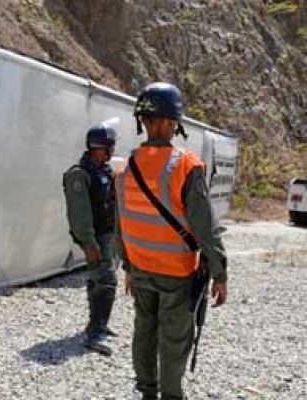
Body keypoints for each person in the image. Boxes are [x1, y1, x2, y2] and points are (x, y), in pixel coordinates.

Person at [112, 82, 228, 400]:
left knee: (144, 332)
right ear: (170, 121)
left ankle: (147, 392)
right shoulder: (186, 167)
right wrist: (220, 273)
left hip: (141, 270)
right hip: (175, 273)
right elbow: (206, 228)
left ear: (144, 121)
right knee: (174, 341)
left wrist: (128, 267)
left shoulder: (123, 169)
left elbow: (119, 225)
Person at [63, 124, 119, 356]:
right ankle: (94, 333)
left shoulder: (103, 171)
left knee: (100, 278)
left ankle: (99, 324)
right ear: (102, 148)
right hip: (94, 237)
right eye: (110, 146)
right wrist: (88, 242)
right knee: (105, 279)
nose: (113, 150)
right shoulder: (79, 173)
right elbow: (79, 213)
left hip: (106, 234)